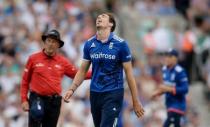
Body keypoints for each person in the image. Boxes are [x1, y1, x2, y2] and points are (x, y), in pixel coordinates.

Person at [64, 12, 144, 127]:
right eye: (98, 16)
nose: (99, 18)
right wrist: (71, 89)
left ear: (111, 24)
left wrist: (135, 101)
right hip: (95, 94)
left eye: (103, 17)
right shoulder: (89, 44)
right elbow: (82, 71)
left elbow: (129, 74)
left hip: (113, 93)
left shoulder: (121, 44)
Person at [20, 29, 91, 127]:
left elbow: (78, 74)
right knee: (37, 113)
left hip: (54, 102)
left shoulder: (62, 62)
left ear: (58, 45)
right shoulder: (33, 59)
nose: (50, 44)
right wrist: (24, 100)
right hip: (37, 98)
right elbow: (25, 81)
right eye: (48, 41)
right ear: (44, 42)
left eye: (53, 42)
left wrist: (97, 73)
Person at [151, 48, 189, 127]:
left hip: (178, 105)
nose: (166, 58)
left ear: (175, 58)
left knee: (168, 123)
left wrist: (168, 89)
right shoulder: (165, 70)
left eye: (169, 56)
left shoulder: (180, 71)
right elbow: (166, 87)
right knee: (175, 124)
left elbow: (185, 89)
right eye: (166, 56)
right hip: (169, 103)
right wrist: (158, 93)